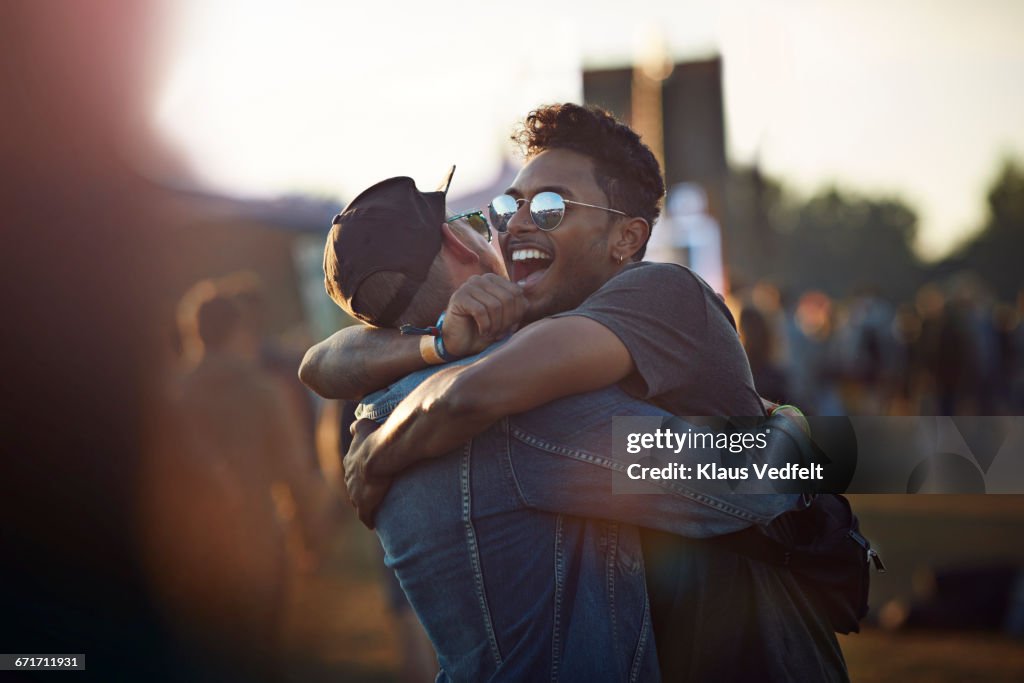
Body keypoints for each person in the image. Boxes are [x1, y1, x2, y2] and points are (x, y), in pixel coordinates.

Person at [303, 105, 847, 681]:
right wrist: (789, 428)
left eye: (550, 207)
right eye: (508, 207)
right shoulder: (519, 395)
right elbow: (328, 364)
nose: (513, 225)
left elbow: (345, 369)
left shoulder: (658, 294)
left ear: (627, 236)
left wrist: (380, 445)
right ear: (456, 244)